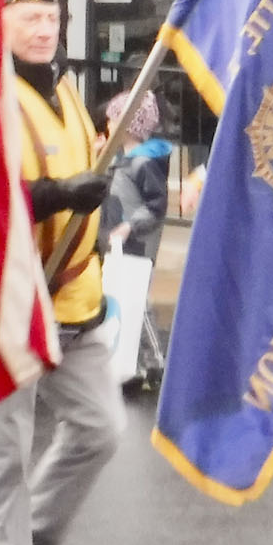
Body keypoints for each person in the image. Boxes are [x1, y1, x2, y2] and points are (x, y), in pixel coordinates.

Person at [0, 0, 125, 545]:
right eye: (29, 16)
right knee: (4, 458)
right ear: (0, 22)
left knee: (99, 429)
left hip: (75, 300)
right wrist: (62, 193)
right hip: (10, 302)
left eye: (51, 17)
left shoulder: (63, 86)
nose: (43, 27)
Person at [98, 88, 172, 390]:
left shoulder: (141, 163)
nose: (107, 122)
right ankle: (135, 363)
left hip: (136, 243)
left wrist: (130, 226)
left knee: (137, 303)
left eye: (113, 118)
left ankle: (154, 362)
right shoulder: (124, 160)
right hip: (120, 242)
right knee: (127, 302)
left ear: (127, 125)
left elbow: (156, 204)